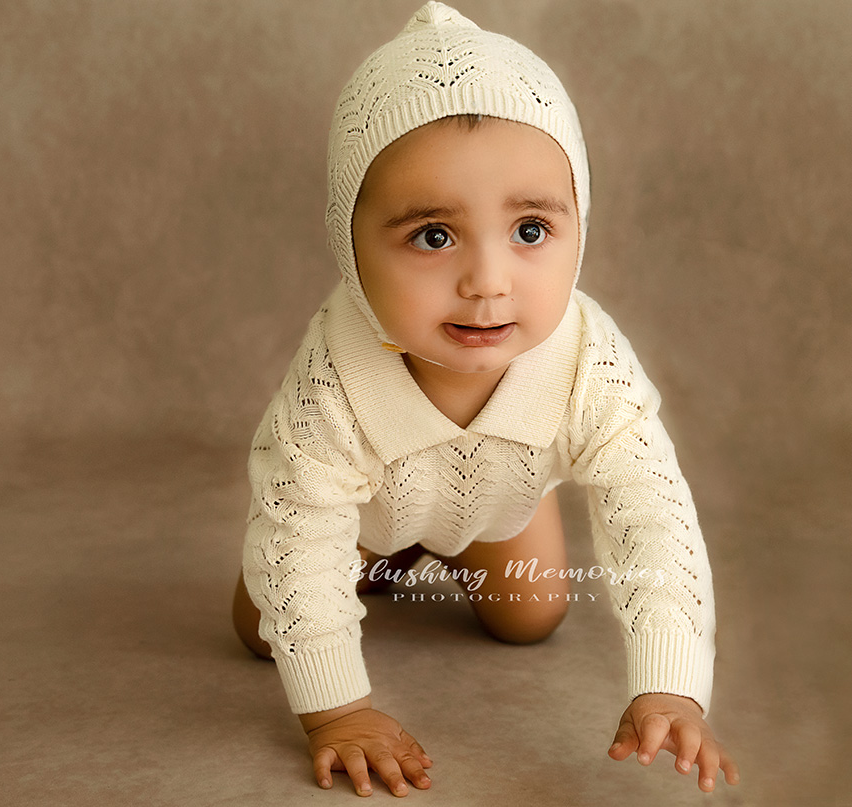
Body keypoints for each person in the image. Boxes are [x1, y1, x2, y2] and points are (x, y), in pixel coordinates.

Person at [232, 1, 740, 797]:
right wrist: (337, 711)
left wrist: (670, 680)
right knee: (265, 624)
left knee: (530, 617)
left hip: (499, 501)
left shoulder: (585, 358)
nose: (488, 282)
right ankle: (381, 554)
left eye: (530, 230)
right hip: (363, 512)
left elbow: (651, 509)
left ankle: (450, 545)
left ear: (578, 224)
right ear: (349, 243)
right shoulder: (332, 377)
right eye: (433, 235)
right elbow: (299, 529)